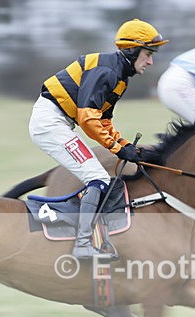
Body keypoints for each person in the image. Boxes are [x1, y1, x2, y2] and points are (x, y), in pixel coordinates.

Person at [29, 19, 167, 260]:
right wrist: (116, 148)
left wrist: (124, 146)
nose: (150, 61)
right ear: (132, 50)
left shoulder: (119, 76)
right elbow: (87, 118)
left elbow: (102, 121)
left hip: (58, 122)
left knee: (98, 176)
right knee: (98, 177)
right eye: (147, 53)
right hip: (50, 123)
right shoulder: (108, 71)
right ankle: (82, 244)